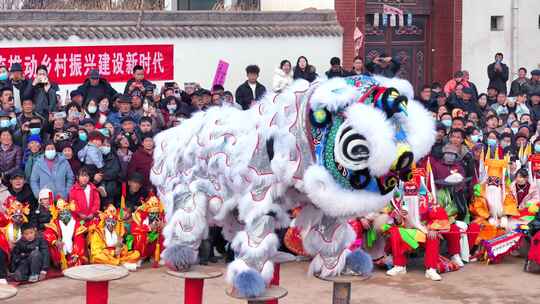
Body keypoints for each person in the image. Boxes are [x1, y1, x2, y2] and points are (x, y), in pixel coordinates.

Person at [88, 204, 140, 270]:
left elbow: (123, 245)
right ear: (105, 221)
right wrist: (112, 253)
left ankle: (116, 264)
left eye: (113, 222)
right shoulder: (99, 232)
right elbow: (96, 251)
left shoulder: (119, 230)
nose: (110, 224)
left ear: (116, 222)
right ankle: (121, 264)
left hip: (117, 255)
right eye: (108, 221)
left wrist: (120, 248)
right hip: (105, 255)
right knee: (97, 257)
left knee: (136, 254)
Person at [42, 197, 88, 270]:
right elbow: (48, 232)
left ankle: (75, 259)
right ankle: (60, 262)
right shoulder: (54, 222)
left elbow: (80, 237)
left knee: (76, 263)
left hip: (74, 250)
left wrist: (77, 254)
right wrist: (55, 241)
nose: (64, 213)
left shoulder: (78, 221)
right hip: (61, 251)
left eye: (65, 210)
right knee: (52, 246)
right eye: (60, 211)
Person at [131, 195, 165, 265]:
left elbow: (170, 228)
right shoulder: (139, 216)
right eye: (152, 213)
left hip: (155, 244)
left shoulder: (161, 216)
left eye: (156, 213)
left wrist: (163, 226)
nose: (154, 215)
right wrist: (148, 228)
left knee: (165, 234)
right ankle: (140, 257)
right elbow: (134, 230)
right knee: (139, 236)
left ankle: (156, 256)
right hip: (144, 243)